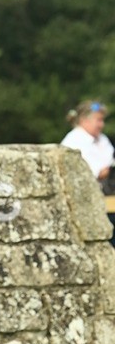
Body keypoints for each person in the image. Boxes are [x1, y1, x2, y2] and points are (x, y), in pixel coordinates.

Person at [61, 100, 115, 245]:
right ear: (85, 120)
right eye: (99, 120)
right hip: (88, 202)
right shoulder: (74, 141)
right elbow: (95, 172)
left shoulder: (102, 139)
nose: (102, 124)